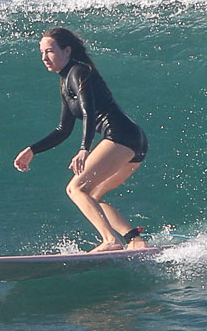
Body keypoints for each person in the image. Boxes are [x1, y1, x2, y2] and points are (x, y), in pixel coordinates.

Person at [13, 27, 149, 252]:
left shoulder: (78, 72)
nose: (44, 58)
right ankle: (134, 239)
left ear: (67, 51)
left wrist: (84, 149)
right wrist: (32, 150)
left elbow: (88, 111)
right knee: (94, 195)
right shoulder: (66, 82)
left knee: (75, 189)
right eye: (41, 53)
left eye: (49, 51)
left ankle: (110, 241)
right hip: (132, 139)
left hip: (121, 136)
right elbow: (63, 129)